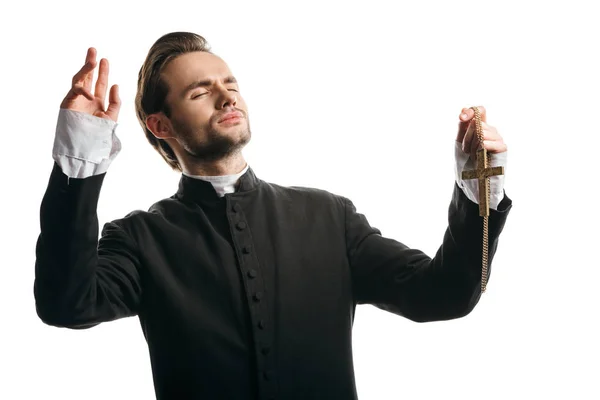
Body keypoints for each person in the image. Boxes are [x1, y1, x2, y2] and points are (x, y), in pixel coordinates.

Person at [34, 31, 512, 399]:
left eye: (230, 85)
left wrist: (478, 189)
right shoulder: (139, 238)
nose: (227, 98)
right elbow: (66, 304)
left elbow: (445, 294)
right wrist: (79, 160)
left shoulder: (329, 215)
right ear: (161, 125)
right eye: (199, 93)